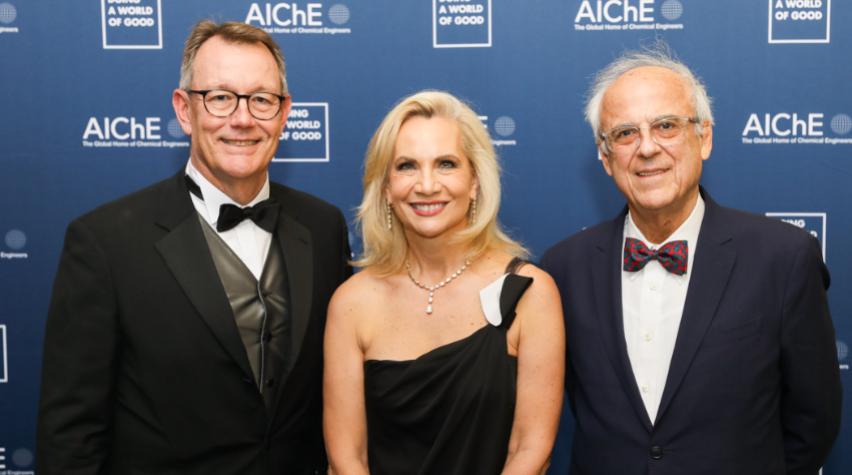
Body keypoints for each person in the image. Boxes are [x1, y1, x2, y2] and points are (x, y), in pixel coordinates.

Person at [36, 20, 352, 475]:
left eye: (261, 100)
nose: (242, 119)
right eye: (220, 97)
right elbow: (70, 437)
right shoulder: (104, 244)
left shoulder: (324, 226)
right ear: (185, 111)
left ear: (284, 114)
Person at [540, 42, 842, 474]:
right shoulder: (562, 268)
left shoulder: (784, 257)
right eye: (625, 133)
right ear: (605, 158)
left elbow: (814, 420)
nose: (646, 148)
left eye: (666, 126)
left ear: (704, 137)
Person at [323, 91, 564, 475]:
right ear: (386, 188)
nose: (427, 184)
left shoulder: (531, 294)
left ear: (474, 182)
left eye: (446, 164)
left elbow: (530, 450)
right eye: (406, 166)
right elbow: (346, 458)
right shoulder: (352, 302)